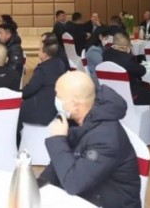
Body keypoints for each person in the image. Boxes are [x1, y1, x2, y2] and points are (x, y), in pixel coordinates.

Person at [38, 71, 141, 208]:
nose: (55, 99)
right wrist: (37, 186)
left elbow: (73, 183)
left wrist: (57, 139)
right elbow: (59, 166)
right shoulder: (79, 122)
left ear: (74, 104)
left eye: (58, 95)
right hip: (88, 196)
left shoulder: (106, 138)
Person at [103, 32, 150, 134]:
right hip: (131, 95)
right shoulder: (127, 59)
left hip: (111, 94)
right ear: (124, 47)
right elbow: (142, 71)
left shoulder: (105, 54)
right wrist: (130, 54)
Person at [19, 34, 69, 128]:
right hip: (56, 108)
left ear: (45, 54)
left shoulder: (42, 69)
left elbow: (30, 89)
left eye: (39, 49)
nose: (38, 51)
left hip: (43, 110)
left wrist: (18, 94)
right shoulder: (60, 64)